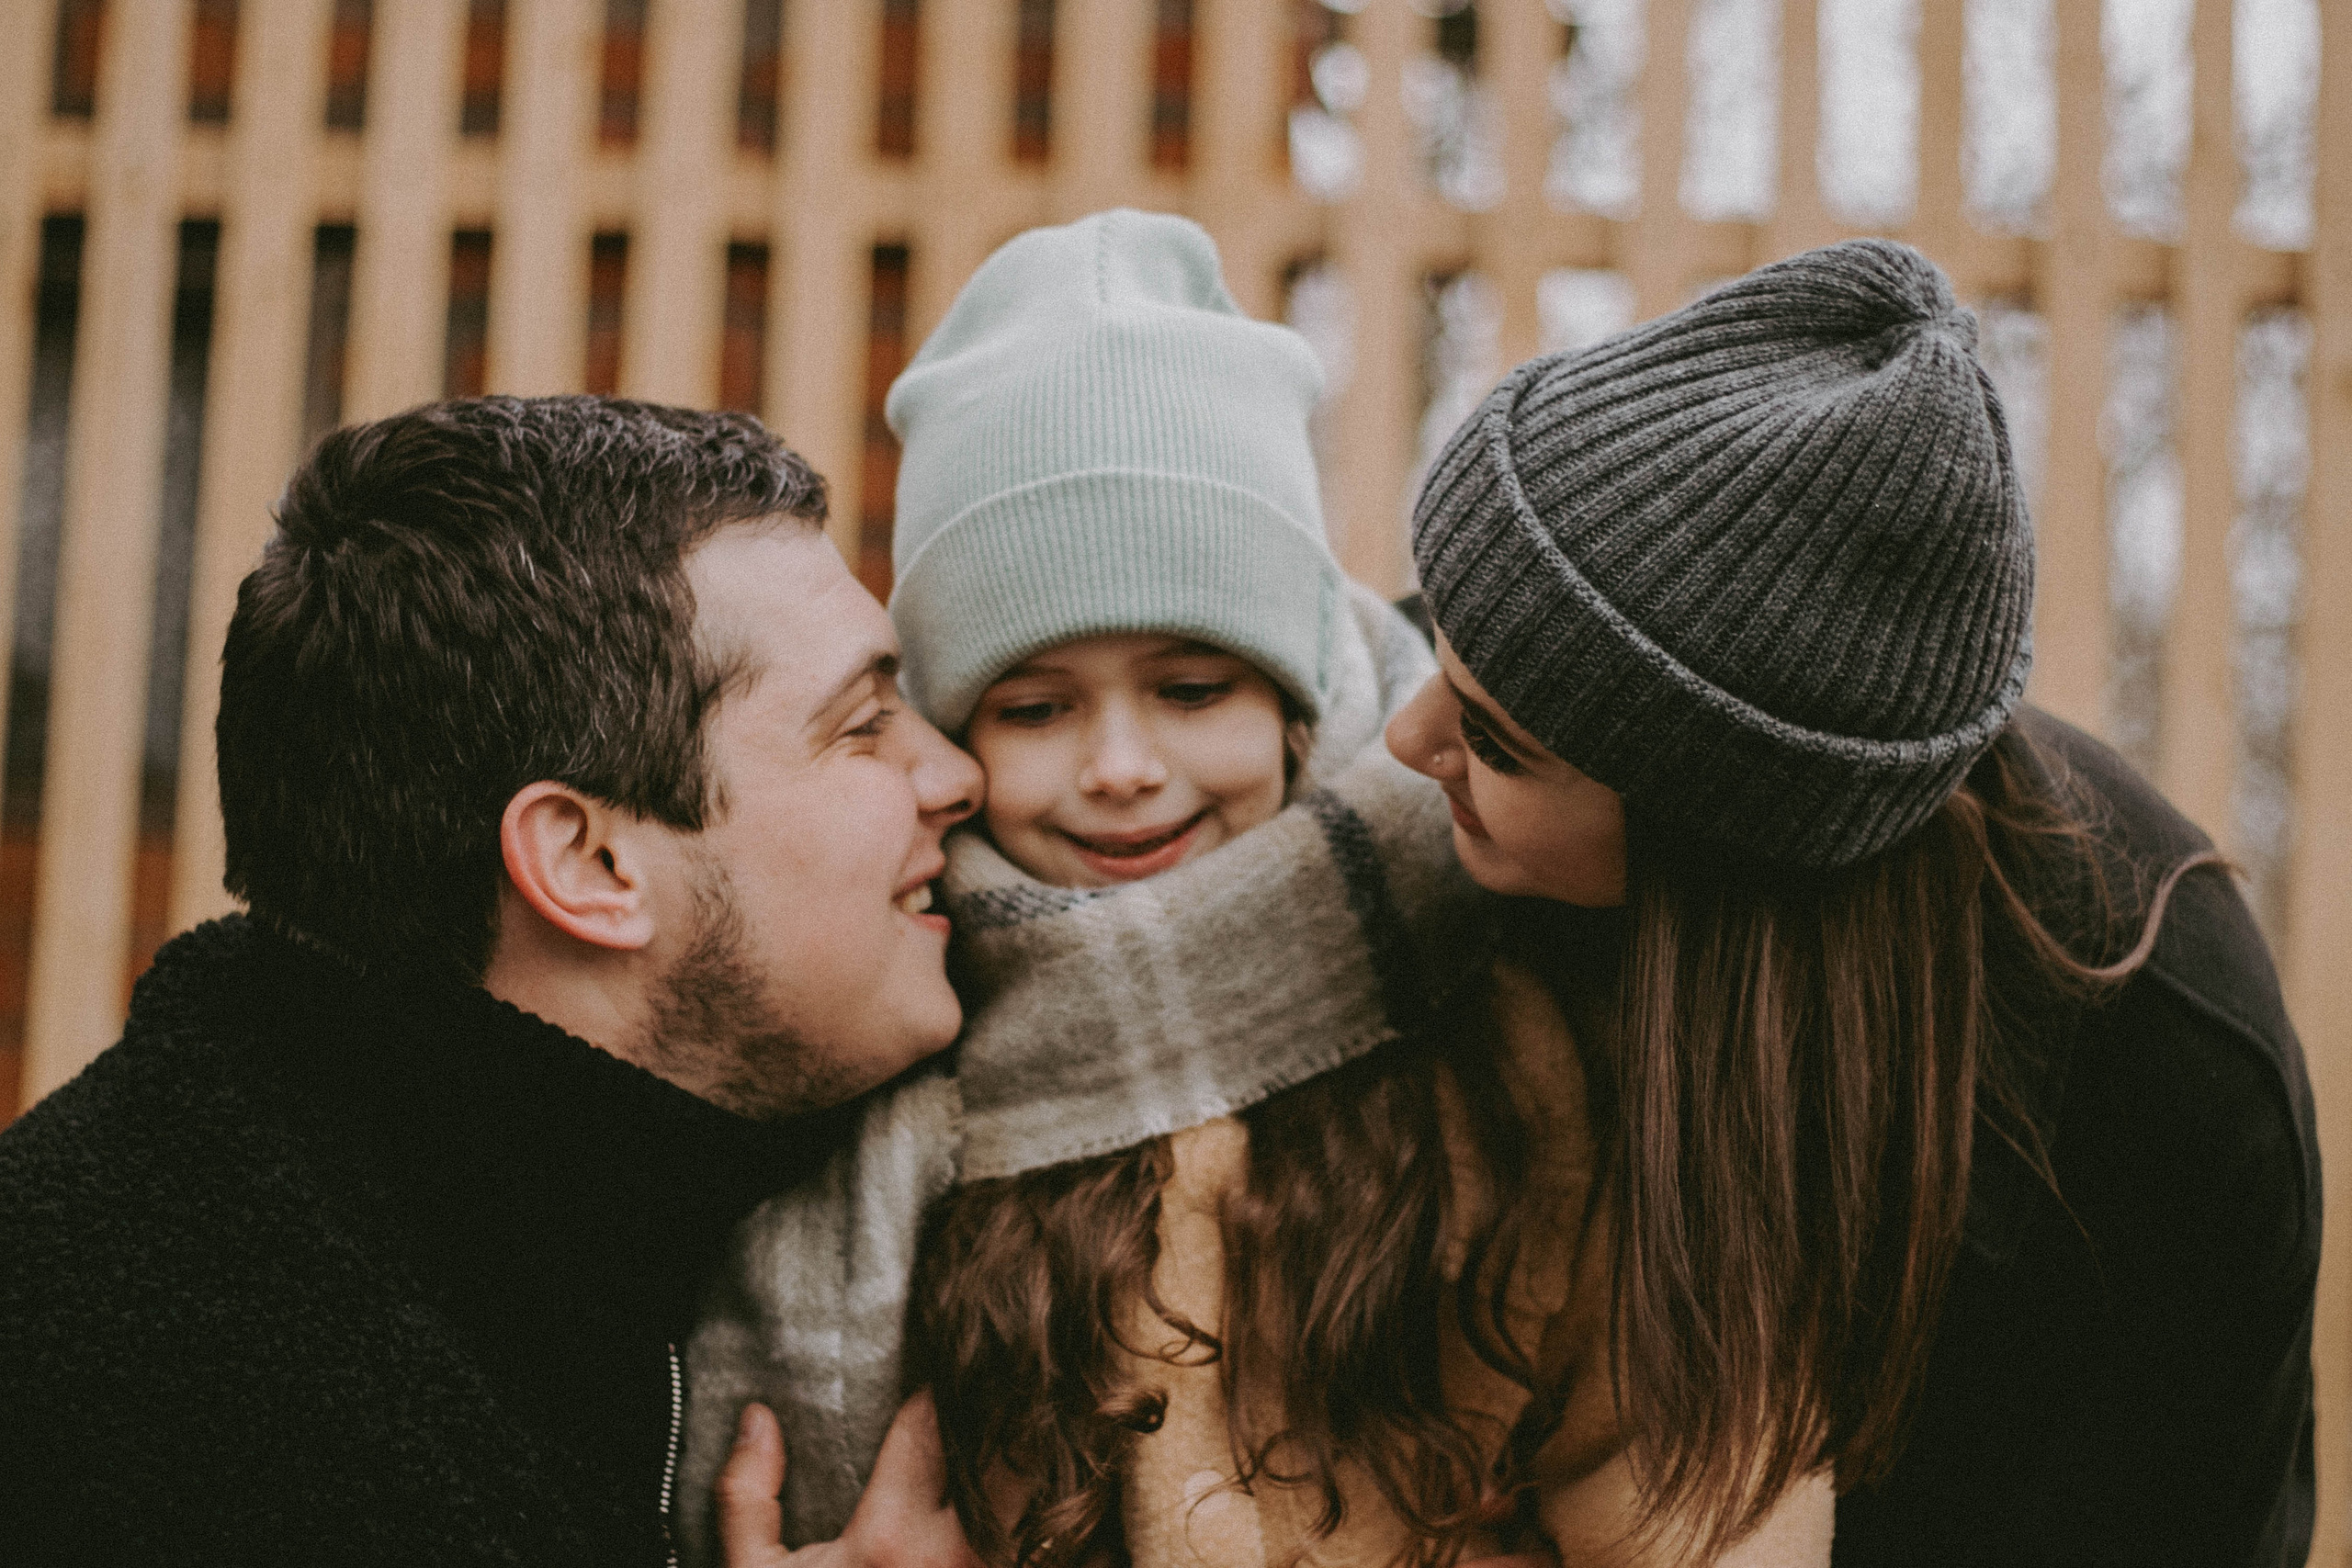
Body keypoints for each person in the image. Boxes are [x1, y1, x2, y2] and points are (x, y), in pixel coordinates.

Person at [676, 210, 1832, 1568]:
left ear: (1293, 699)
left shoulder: (1490, 1009)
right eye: (1037, 705)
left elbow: (1666, 1470)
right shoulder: (887, 1038)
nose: (1120, 767)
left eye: (1191, 688)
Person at [1385, 239, 2319, 1566]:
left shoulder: (2155, 1062)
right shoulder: (1542, 690)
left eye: (1491, 741)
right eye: (1439, 658)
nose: (1402, 739)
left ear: (1715, 834)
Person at [0, 398, 990, 1568]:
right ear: (592, 863)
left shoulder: (652, 1207)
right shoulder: (130, 1377)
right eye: (864, 724)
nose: (956, 773)